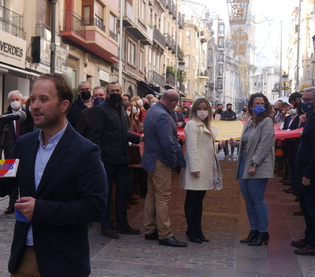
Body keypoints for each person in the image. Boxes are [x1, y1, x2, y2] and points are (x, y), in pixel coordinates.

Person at [0, 73, 107, 277]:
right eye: (33, 99)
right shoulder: (24, 145)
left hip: (63, 260)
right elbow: (3, 187)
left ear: (64, 105)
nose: (34, 105)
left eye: (44, 99)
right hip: (24, 258)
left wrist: (42, 210)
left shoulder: (85, 151)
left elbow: (94, 207)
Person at [89, 82, 142, 239]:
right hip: (107, 159)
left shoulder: (120, 108)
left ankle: (122, 223)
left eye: (117, 91)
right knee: (106, 193)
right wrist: (99, 159)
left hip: (121, 158)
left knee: (124, 190)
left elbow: (123, 133)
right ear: (107, 93)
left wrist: (139, 137)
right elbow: (95, 136)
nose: (115, 93)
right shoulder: (101, 109)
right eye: (112, 91)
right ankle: (105, 226)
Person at [141, 89, 187, 247]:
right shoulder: (163, 115)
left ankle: (150, 229)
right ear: (174, 103)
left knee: (151, 195)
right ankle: (165, 234)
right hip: (160, 160)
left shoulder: (153, 111)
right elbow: (168, 142)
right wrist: (173, 161)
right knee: (162, 198)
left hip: (150, 159)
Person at [229, 93, 275, 246]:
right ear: (250, 106)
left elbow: (264, 145)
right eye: (256, 103)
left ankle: (263, 232)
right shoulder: (249, 121)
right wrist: (234, 144)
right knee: (248, 200)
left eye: (262, 103)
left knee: (258, 199)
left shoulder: (267, 122)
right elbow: (247, 143)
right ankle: (253, 230)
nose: (259, 106)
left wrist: (254, 164)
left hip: (257, 165)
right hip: (244, 163)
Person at [179, 98, 222, 243]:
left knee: (199, 200)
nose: (203, 111)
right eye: (200, 108)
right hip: (196, 168)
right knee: (192, 199)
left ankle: (197, 229)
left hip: (206, 166)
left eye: (205, 108)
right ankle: (192, 230)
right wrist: (194, 168)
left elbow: (206, 146)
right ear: (195, 109)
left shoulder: (206, 125)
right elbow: (192, 147)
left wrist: (219, 146)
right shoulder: (192, 124)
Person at [0, 90, 34, 214]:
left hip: (25, 152)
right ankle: (12, 204)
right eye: (12, 100)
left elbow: (32, 131)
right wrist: (4, 144)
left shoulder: (26, 116)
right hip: (10, 152)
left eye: (17, 99)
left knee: (25, 178)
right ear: (8, 102)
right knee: (11, 178)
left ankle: (25, 203)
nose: (15, 102)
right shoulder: (5, 117)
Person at [292, 86, 315, 256]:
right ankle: (308, 238)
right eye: (304, 100)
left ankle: (313, 243)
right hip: (302, 169)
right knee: (306, 208)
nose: (304, 103)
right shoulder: (310, 118)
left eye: (308, 100)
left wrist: (309, 174)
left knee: (312, 209)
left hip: (309, 172)